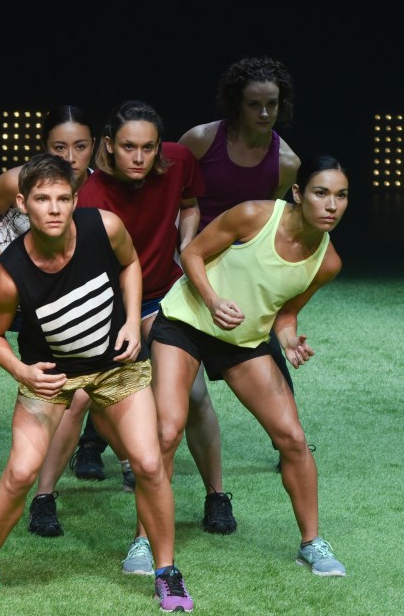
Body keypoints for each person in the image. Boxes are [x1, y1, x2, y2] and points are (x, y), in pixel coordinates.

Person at [0, 154, 192, 614]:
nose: (54, 208)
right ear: (22, 204)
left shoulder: (105, 226)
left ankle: (166, 571)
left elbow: (131, 265)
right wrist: (21, 372)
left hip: (117, 369)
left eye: (63, 198)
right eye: (42, 199)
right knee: (21, 473)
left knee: (147, 462)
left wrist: (129, 320)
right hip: (52, 379)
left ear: (75, 199)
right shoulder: (12, 271)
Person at [29, 101, 228, 558]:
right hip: (110, 305)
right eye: (128, 148)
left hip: (166, 298)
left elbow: (190, 203)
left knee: (194, 396)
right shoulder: (91, 195)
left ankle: (216, 495)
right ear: (109, 148)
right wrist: (123, 320)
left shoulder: (179, 161)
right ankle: (44, 498)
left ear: (160, 147)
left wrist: (185, 245)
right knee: (78, 397)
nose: (138, 157)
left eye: (147, 147)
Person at [149, 154, 349, 577]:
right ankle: (143, 541)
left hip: (243, 339)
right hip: (186, 323)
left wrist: (289, 338)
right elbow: (192, 254)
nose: (331, 205)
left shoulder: (327, 262)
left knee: (292, 437)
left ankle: (312, 543)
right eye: (321, 193)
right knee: (167, 430)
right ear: (298, 193)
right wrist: (213, 300)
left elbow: (286, 312)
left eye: (341, 196)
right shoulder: (255, 215)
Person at [0, 107, 94, 506]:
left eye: (80, 146)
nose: (70, 156)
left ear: (95, 147)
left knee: (70, 391)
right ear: (45, 147)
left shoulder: (92, 192)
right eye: (60, 146)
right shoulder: (16, 180)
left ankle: (49, 485)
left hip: (43, 300)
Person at [181, 56, 302, 472]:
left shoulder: (285, 162)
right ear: (237, 103)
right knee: (146, 355)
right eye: (255, 104)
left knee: (266, 347)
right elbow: (174, 199)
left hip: (242, 272)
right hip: (190, 259)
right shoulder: (200, 140)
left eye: (272, 103)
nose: (265, 112)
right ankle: (91, 445)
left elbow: (274, 219)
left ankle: (290, 441)